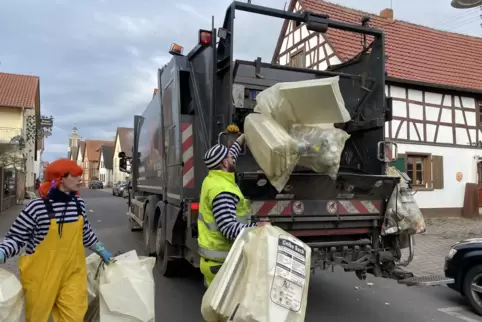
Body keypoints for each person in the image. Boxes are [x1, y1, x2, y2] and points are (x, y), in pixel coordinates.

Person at [0, 159, 113, 322]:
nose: (79, 179)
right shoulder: (36, 207)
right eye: (74, 175)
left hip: (72, 274)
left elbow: (85, 233)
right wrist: (3, 251)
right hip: (40, 277)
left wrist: (101, 250)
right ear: (60, 179)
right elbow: (16, 237)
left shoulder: (78, 204)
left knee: (75, 317)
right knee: (37, 318)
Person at [198, 134, 268, 287]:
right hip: (223, 263)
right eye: (229, 157)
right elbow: (228, 229)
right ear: (224, 163)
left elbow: (232, 156)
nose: (233, 158)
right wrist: (257, 228)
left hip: (216, 261)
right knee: (228, 309)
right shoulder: (223, 191)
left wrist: (241, 139)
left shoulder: (213, 178)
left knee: (217, 308)